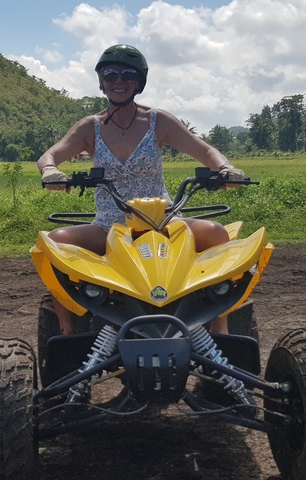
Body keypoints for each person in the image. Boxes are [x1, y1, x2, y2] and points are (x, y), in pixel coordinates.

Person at [35, 44, 246, 336]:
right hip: (110, 223)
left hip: (162, 219)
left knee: (217, 234)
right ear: (101, 82)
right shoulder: (89, 128)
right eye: (110, 74)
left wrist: (225, 169)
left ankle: (219, 327)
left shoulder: (159, 122)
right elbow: (49, 156)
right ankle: (67, 332)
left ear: (139, 82)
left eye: (127, 75)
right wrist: (51, 171)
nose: (118, 81)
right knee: (55, 244)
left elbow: (206, 151)